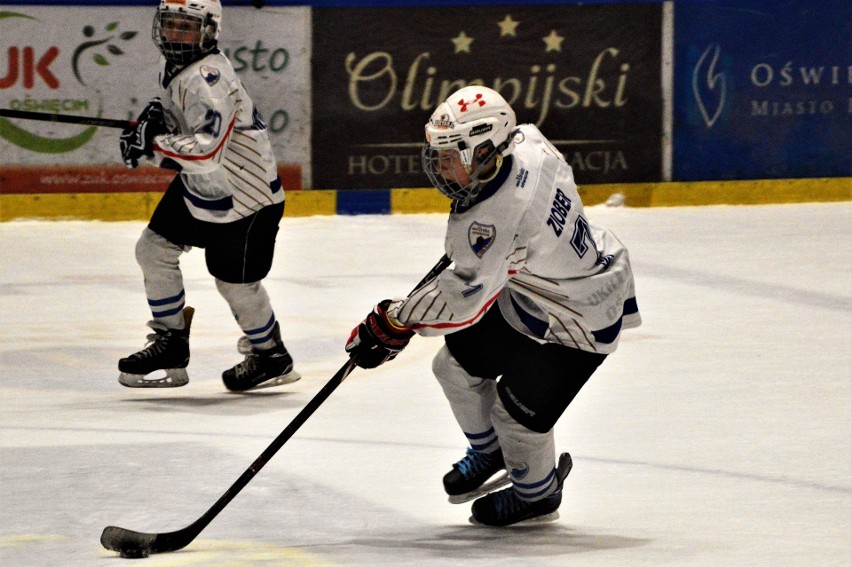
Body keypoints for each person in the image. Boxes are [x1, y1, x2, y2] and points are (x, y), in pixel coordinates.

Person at [345, 85, 641, 526]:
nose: (440, 166)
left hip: (578, 318)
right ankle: (491, 453)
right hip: (538, 293)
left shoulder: (495, 220)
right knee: (454, 369)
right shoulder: (526, 143)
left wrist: (393, 321)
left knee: (514, 417)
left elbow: (462, 301)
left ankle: (537, 496)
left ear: (485, 152)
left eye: (451, 156)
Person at [116, 0, 298, 391]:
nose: (176, 33)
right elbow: (186, 131)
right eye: (171, 24)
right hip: (204, 189)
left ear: (209, 31)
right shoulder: (176, 67)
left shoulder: (207, 79)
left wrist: (151, 145)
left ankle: (271, 356)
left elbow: (206, 151)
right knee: (153, 249)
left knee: (234, 284)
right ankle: (169, 341)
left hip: (246, 200)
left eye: (187, 26)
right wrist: (157, 120)